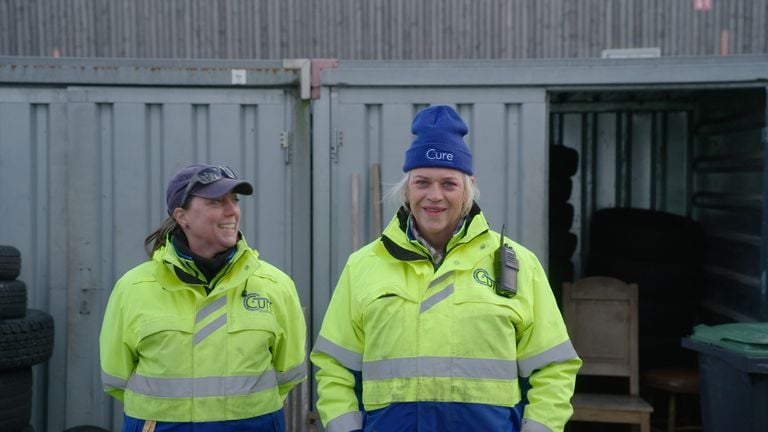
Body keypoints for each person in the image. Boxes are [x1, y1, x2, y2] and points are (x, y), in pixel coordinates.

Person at [311, 105, 581, 432]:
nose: (434, 196)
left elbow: (553, 368)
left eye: (449, 184)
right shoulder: (363, 266)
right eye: (423, 182)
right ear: (407, 188)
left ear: (468, 187)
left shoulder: (519, 264)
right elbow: (335, 368)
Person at [100, 163, 306, 432]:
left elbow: (288, 373)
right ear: (182, 216)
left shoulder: (275, 286)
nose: (232, 210)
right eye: (217, 201)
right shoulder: (133, 288)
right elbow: (117, 377)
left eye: (235, 200)